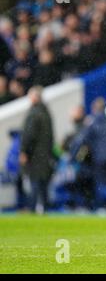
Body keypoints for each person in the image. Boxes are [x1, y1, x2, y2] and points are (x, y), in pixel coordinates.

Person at [19, 86, 54, 214]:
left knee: (34, 181)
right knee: (43, 183)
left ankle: (32, 207)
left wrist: (24, 151)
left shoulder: (34, 113)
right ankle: (44, 207)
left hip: (35, 155)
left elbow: (29, 135)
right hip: (45, 154)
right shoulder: (46, 112)